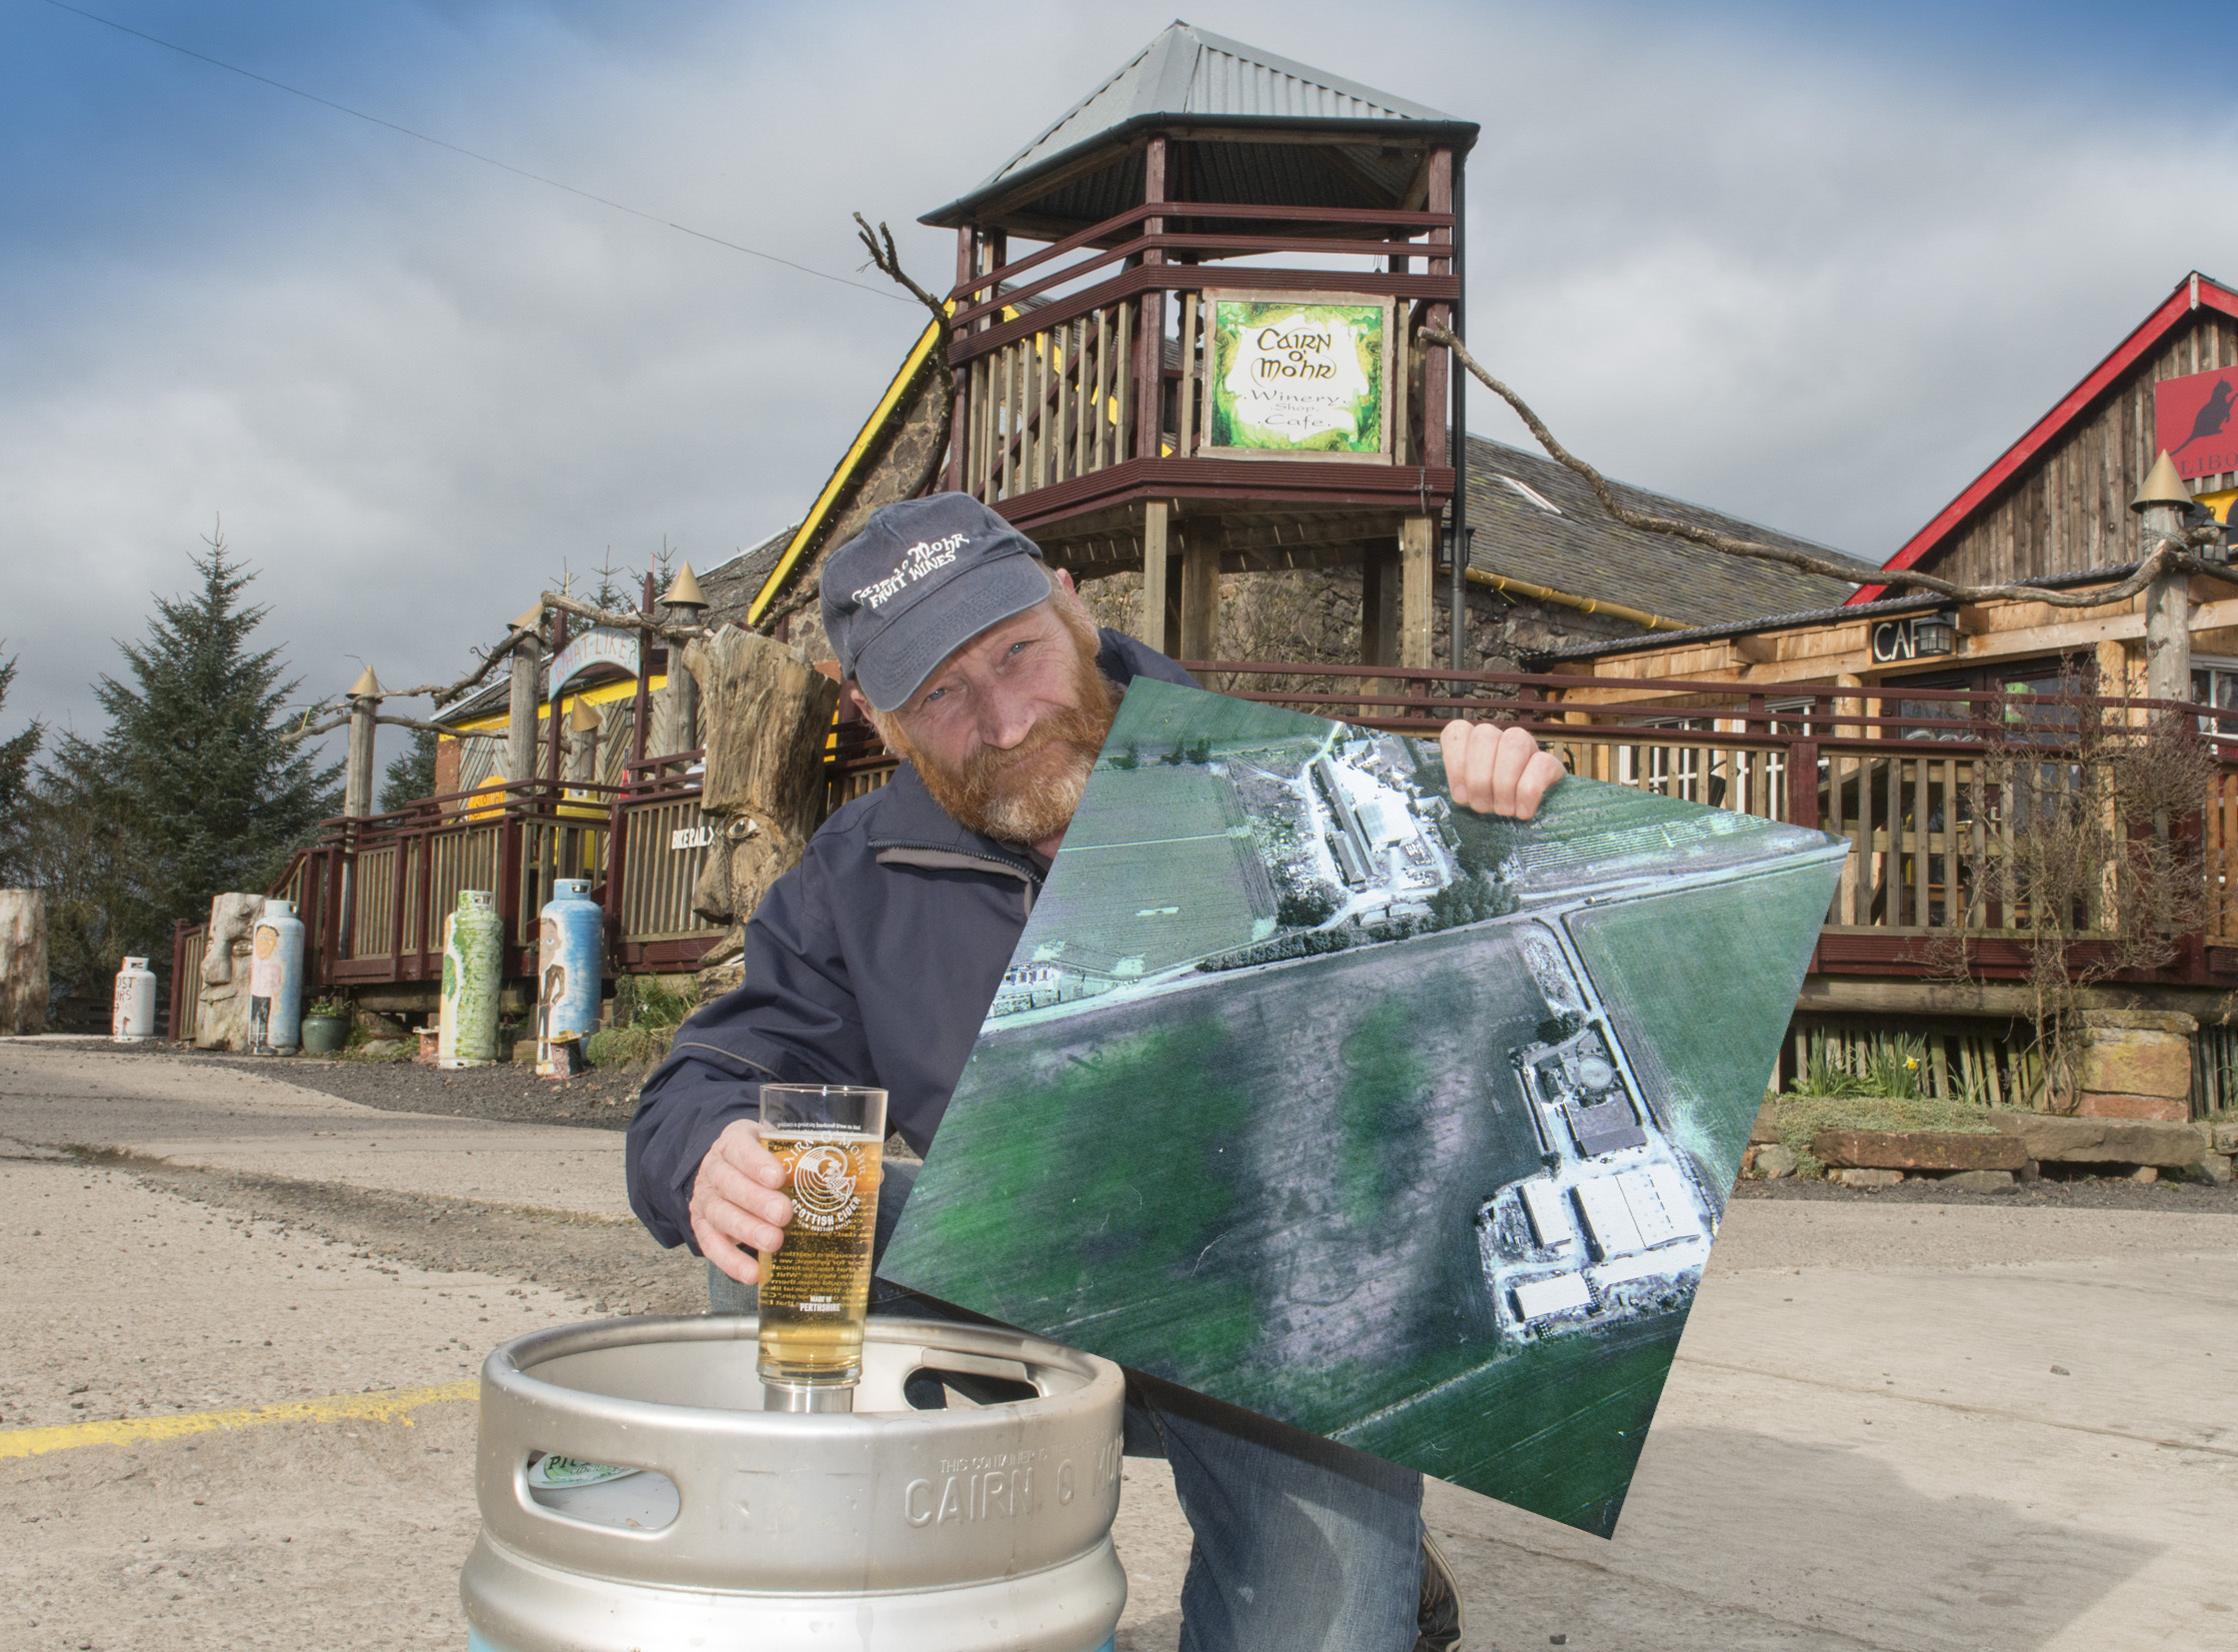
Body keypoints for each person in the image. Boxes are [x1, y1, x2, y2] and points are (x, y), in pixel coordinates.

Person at [626, 493, 1564, 1652]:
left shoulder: (1290, 780)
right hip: (1034, 1270)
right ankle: (928, 1597)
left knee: (1323, 1626)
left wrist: (1503, 828)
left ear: (1070, 602)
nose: (1007, 718)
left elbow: (1498, 1015)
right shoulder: (854, 873)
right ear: (878, 719)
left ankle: (1366, 1533)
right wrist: (705, 1151)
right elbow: (712, 1071)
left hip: (1283, 1310)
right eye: (943, 694)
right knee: (793, 1223)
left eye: (1016, 651)